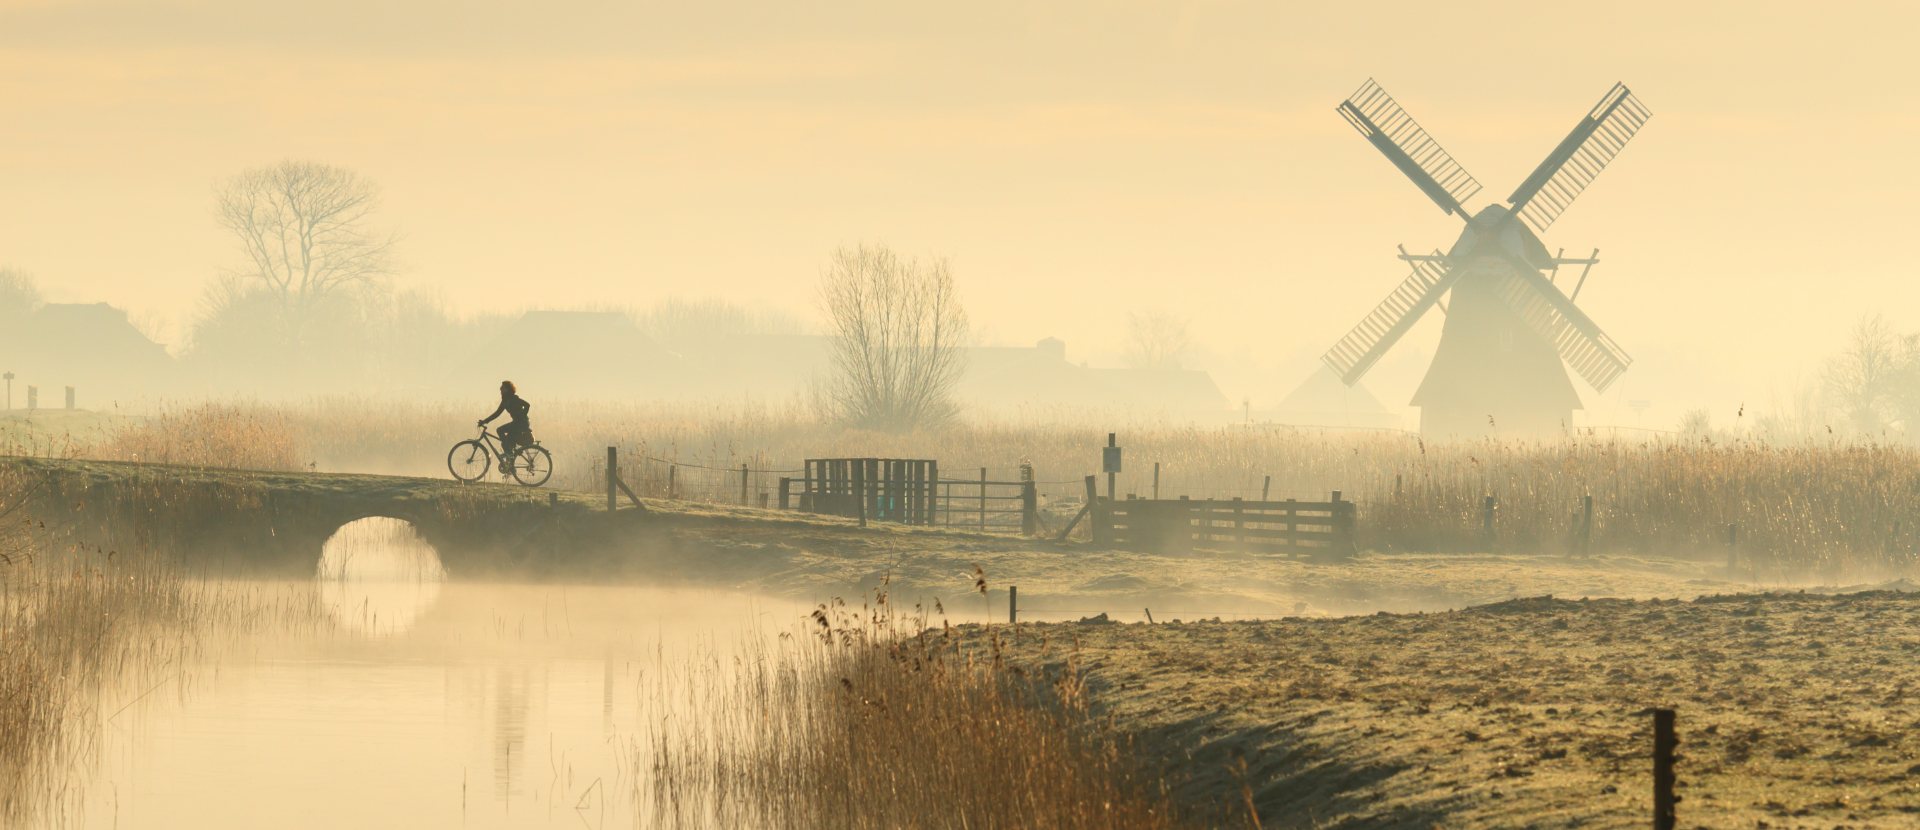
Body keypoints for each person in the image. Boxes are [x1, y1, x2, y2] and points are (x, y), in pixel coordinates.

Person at [479, 380, 533, 474]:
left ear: (508, 389)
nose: (500, 389)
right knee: (505, 444)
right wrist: (485, 421)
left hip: (521, 424)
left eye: (502, 388)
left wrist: (522, 416)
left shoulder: (514, 399)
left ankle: (510, 454)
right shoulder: (505, 401)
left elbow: (527, 405)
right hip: (517, 424)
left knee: (500, 430)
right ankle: (511, 465)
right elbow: (497, 413)